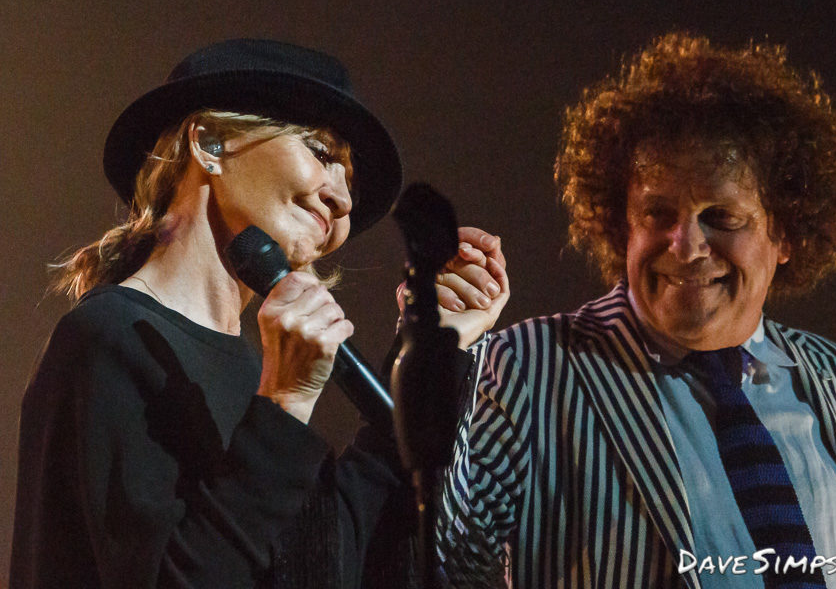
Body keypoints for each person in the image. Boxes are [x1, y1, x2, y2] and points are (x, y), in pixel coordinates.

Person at [438, 32, 836, 588]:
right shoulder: (527, 367)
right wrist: (434, 348)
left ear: (784, 234)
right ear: (620, 226)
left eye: (722, 217)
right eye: (656, 213)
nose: (684, 245)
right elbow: (439, 560)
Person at [10, 39, 510, 589]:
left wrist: (433, 345)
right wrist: (286, 404)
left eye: (351, 178)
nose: (343, 199)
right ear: (210, 142)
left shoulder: (257, 376)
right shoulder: (109, 339)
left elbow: (327, 562)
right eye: (322, 152)